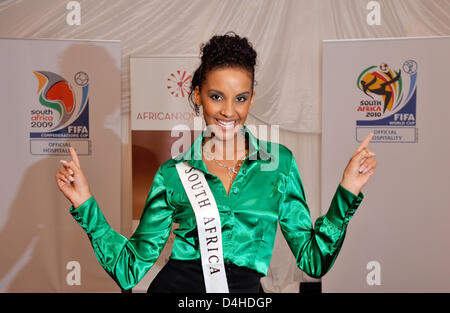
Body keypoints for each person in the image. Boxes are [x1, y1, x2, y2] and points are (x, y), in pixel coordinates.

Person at [55, 32, 377, 293]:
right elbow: (129, 269)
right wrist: (85, 204)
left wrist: (346, 191)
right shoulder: (173, 174)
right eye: (216, 96)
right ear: (197, 95)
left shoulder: (278, 165)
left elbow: (313, 260)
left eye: (240, 98)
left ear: (251, 98)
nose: (228, 112)